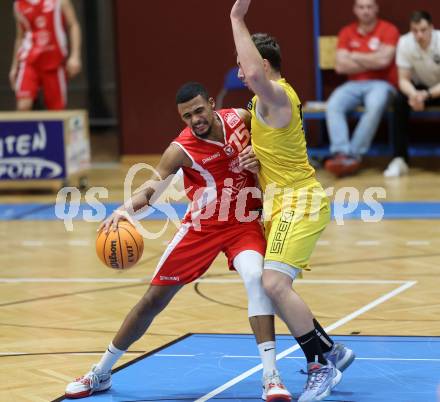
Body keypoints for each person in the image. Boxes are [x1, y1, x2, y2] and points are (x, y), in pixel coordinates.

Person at [65, 82, 292, 401]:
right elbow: (152, 189)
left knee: (256, 279)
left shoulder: (241, 117)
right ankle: (100, 372)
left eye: (199, 110)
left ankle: (271, 376)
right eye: (187, 116)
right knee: (153, 299)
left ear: (212, 105)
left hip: (243, 223)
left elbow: (282, 133)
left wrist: (261, 153)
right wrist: (123, 210)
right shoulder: (180, 149)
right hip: (202, 228)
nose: (195, 119)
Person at [230, 1, 355, 401]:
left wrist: (236, 18)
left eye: (245, 63)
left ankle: (320, 367)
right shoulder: (261, 104)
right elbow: (272, 150)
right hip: (282, 203)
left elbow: (250, 72)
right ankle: (331, 349)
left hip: (299, 201)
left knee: (273, 283)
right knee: (273, 286)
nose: (240, 72)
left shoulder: (277, 94)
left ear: (264, 65)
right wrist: (254, 161)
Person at [324, 0, 399, 177]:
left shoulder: (389, 30)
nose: (365, 11)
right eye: (361, 7)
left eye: (369, 7)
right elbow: (341, 67)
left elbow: (384, 61)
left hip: (382, 84)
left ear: (376, 9)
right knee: (333, 104)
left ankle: (353, 155)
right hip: (353, 85)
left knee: (375, 105)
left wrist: (355, 55)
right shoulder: (346, 32)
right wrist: (373, 59)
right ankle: (341, 152)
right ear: (355, 10)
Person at [384, 10, 440, 177]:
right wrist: (414, 95)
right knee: (399, 100)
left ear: (431, 27)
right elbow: (403, 79)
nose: (419, 34)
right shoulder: (405, 42)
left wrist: (427, 95)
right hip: (420, 90)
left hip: (435, 90)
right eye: (415, 30)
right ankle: (400, 159)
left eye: (423, 30)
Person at [9, 0, 82, 111]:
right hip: (29, 60)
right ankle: (29, 128)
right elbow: (20, 36)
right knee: (23, 105)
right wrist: (14, 67)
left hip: (54, 62)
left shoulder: (59, 2)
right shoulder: (19, 5)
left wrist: (75, 55)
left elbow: (73, 25)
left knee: (56, 109)